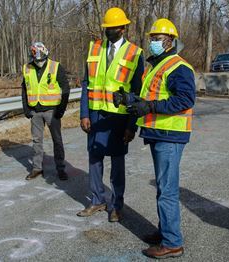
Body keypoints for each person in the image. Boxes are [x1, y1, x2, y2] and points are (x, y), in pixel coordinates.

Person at [116, 18, 195, 259]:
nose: (153, 43)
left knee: (167, 190)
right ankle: (165, 232)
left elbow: (184, 100)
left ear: (171, 41)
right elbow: (149, 98)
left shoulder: (179, 67)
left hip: (170, 135)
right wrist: (130, 100)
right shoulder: (157, 66)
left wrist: (149, 107)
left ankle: (172, 242)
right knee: (163, 187)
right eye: (152, 39)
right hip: (159, 133)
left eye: (158, 39)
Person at [77, 7, 144, 223]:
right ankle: (97, 199)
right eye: (106, 28)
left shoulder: (135, 53)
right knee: (94, 159)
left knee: (117, 163)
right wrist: (84, 113)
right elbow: (87, 84)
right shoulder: (94, 48)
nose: (108, 31)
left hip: (119, 117)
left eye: (113, 28)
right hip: (96, 115)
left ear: (123, 28)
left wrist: (131, 125)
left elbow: (137, 92)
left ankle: (116, 205)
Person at [22, 42, 70, 181]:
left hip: (52, 111)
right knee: (37, 141)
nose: (38, 61)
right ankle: (37, 168)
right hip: (35, 111)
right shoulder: (27, 68)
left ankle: (60, 168)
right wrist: (26, 109)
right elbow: (24, 89)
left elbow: (65, 88)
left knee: (57, 140)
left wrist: (61, 109)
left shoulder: (55, 67)